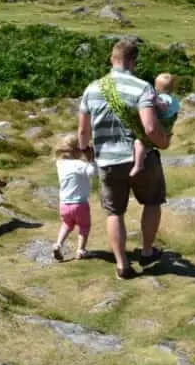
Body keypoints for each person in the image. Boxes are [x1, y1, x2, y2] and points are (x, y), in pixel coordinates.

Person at [78, 40, 170, 279]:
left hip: (107, 160)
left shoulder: (92, 88)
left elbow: (82, 131)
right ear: (133, 61)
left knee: (114, 212)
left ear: (112, 59)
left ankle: (122, 265)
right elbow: (150, 128)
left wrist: (85, 150)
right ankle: (148, 251)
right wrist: (164, 142)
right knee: (152, 202)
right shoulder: (142, 88)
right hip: (141, 156)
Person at [52, 133, 97, 261]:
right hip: (80, 203)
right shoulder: (79, 164)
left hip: (64, 204)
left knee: (66, 224)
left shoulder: (60, 163)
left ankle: (58, 244)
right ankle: (81, 250)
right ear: (78, 149)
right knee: (84, 226)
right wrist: (91, 159)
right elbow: (92, 172)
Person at [128, 73, 181, 179]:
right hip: (167, 127)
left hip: (161, 124)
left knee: (139, 142)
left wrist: (155, 101)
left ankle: (138, 165)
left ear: (156, 87)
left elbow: (164, 107)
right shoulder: (174, 99)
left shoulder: (163, 98)